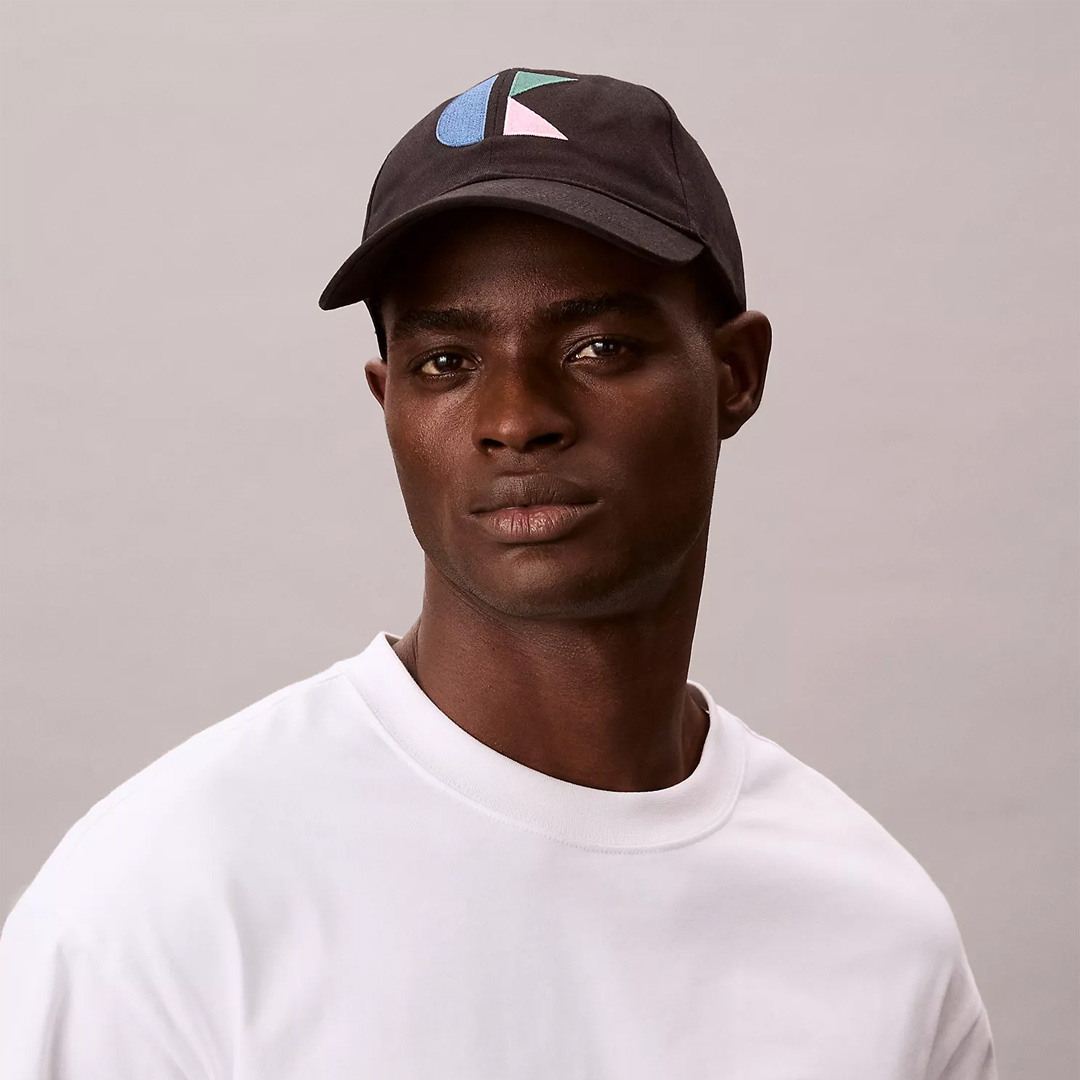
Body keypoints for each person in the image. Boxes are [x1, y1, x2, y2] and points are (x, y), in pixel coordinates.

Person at [0, 68, 997, 1078]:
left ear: (734, 374)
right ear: (388, 402)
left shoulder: (877, 935)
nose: (517, 418)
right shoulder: (162, 906)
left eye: (599, 346)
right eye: (447, 362)